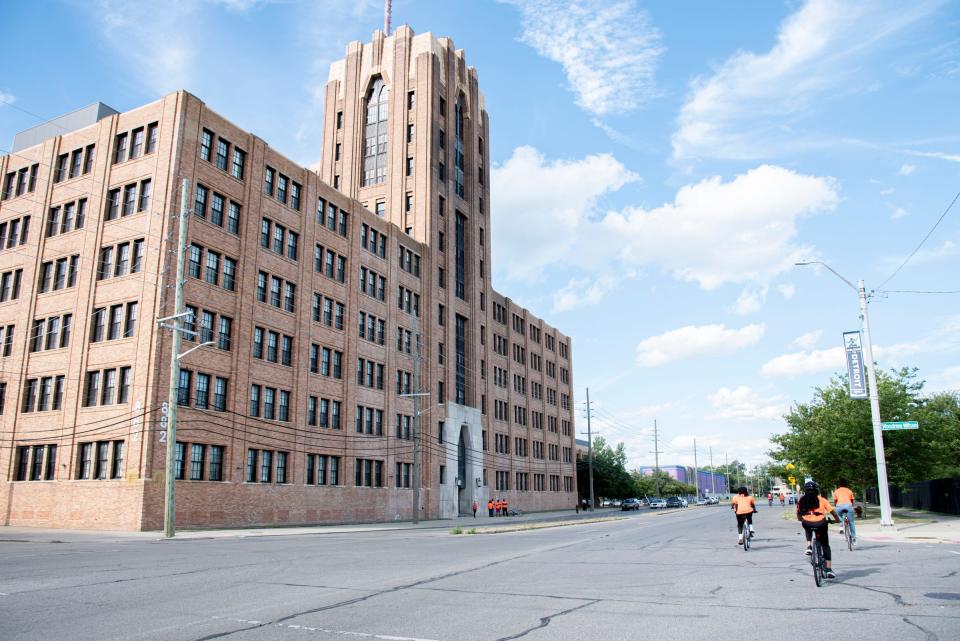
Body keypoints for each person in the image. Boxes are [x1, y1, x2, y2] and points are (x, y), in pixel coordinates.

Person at [797, 480, 839, 579]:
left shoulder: (801, 500)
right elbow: (832, 511)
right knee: (825, 545)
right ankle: (828, 569)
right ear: (816, 490)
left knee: (807, 527)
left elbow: (799, 515)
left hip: (807, 522)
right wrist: (837, 520)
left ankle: (809, 546)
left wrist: (803, 519)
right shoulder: (822, 499)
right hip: (821, 523)